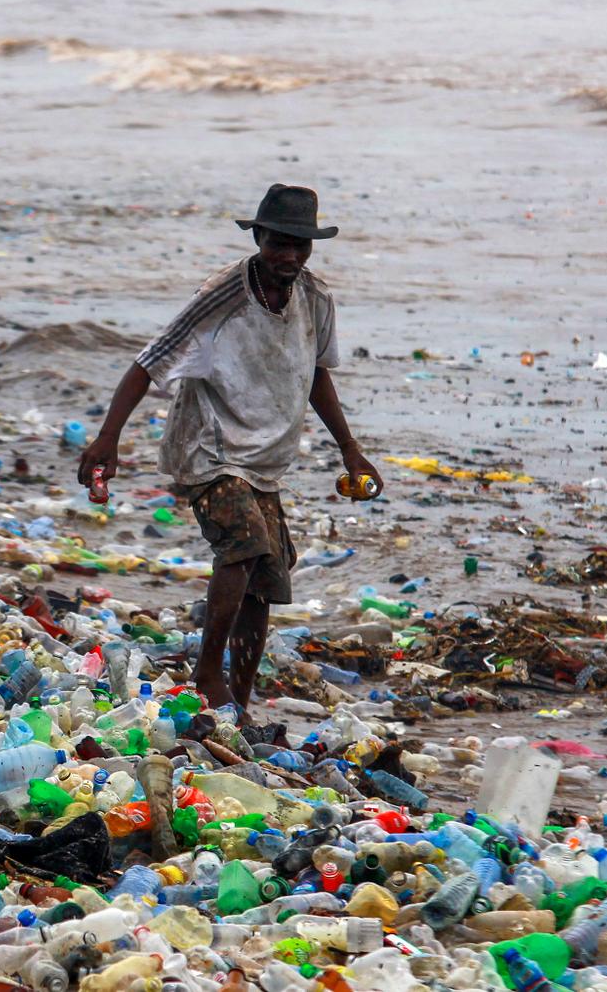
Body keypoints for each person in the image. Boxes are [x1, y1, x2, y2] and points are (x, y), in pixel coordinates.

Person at [76, 183, 381, 717]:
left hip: (265, 460)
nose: (288, 256)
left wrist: (350, 450)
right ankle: (207, 673)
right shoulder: (225, 293)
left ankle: (237, 700)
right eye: (279, 243)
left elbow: (316, 376)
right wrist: (108, 438)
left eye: (300, 246)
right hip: (208, 447)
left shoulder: (316, 299)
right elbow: (150, 362)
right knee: (243, 544)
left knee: (267, 577)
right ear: (259, 237)